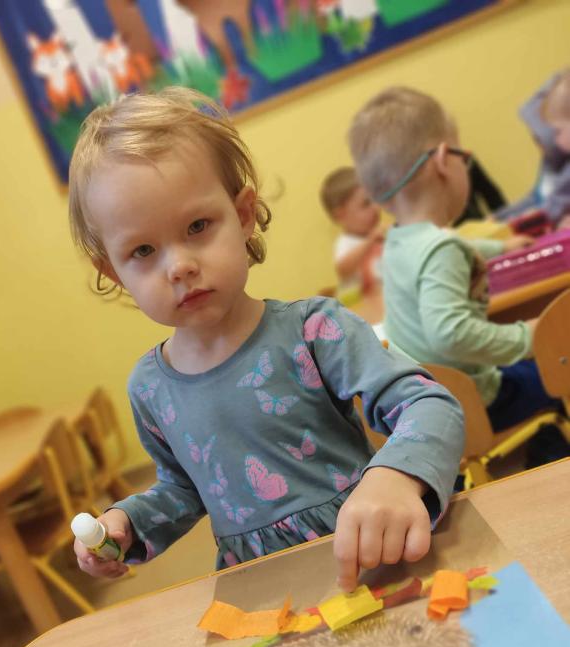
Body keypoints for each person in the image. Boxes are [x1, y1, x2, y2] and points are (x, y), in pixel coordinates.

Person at [68, 87, 464, 594]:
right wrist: (127, 522)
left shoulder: (314, 331)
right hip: (265, 593)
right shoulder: (149, 388)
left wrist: (396, 476)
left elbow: (431, 406)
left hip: (369, 559)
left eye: (197, 226)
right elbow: (183, 488)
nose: (179, 266)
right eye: (143, 250)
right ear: (114, 272)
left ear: (244, 215)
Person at [348, 86, 563, 437]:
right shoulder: (441, 248)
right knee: (558, 369)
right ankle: (550, 448)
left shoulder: (399, 241)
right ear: (444, 160)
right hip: (475, 403)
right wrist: (531, 334)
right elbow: (450, 333)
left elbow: (450, 249)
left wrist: (500, 247)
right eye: (465, 157)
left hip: (433, 403)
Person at [496, 69, 570, 229]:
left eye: (558, 131)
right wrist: (499, 218)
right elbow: (535, 198)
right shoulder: (549, 165)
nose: (556, 140)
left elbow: (555, 205)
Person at [319, 167, 384, 294]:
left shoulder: (379, 233)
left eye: (375, 199)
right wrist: (370, 240)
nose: (376, 207)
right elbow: (343, 270)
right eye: (366, 204)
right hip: (366, 302)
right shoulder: (345, 242)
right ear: (341, 215)